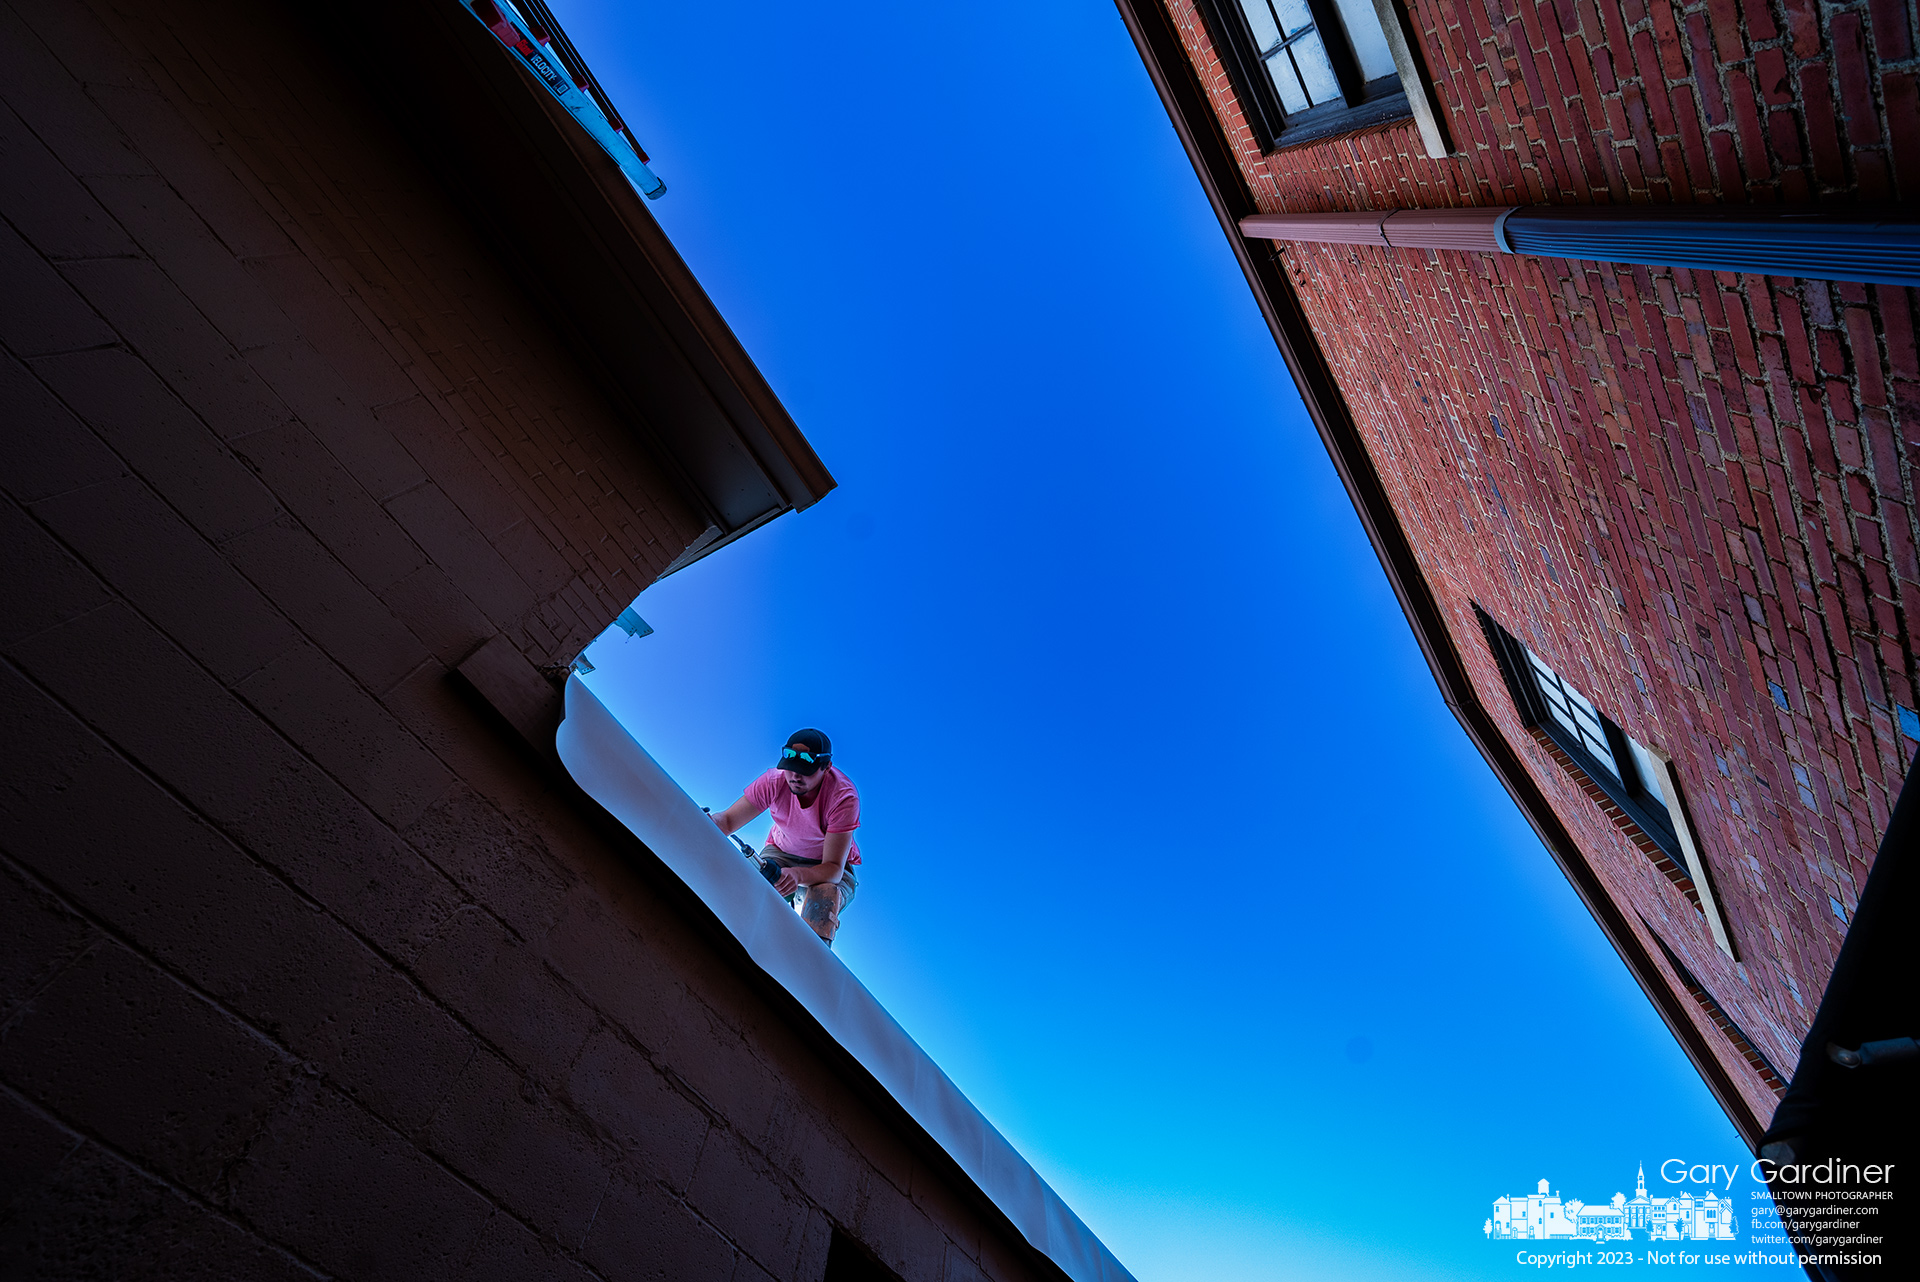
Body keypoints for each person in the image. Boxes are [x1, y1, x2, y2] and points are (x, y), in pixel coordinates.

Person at [709, 728, 861, 945]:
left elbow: (834, 868)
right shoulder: (774, 781)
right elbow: (728, 822)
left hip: (828, 866)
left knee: (822, 901)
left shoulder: (843, 797)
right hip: (782, 852)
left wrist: (798, 875)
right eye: (790, 768)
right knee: (753, 887)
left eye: (805, 770)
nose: (795, 776)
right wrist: (701, 822)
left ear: (826, 767)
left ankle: (807, 959)